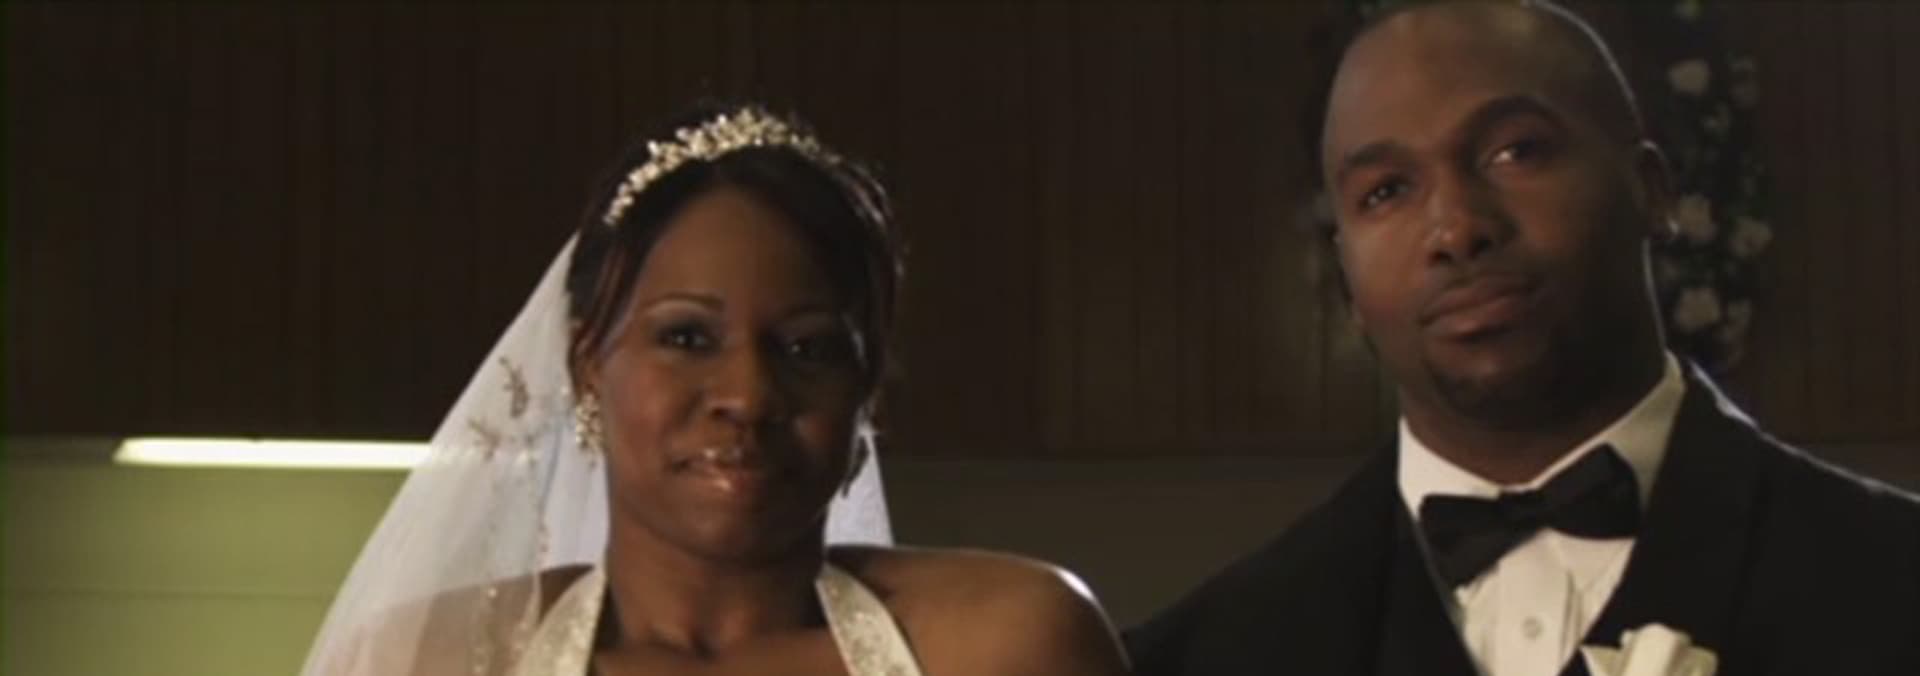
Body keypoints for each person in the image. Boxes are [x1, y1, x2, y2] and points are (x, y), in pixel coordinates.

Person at [1124, 2, 1920, 675]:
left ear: (1652, 191)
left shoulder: (1893, 573)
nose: (1456, 228)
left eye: (1516, 151)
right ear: (1346, 281)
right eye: (1386, 191)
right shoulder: (1197, 655)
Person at [304, 103, 1131, 676]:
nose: (748, 394)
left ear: (866, 394)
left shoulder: (1004, 646)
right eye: (687, 338)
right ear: (588, 361)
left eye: (807, 347)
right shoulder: (432, 659)